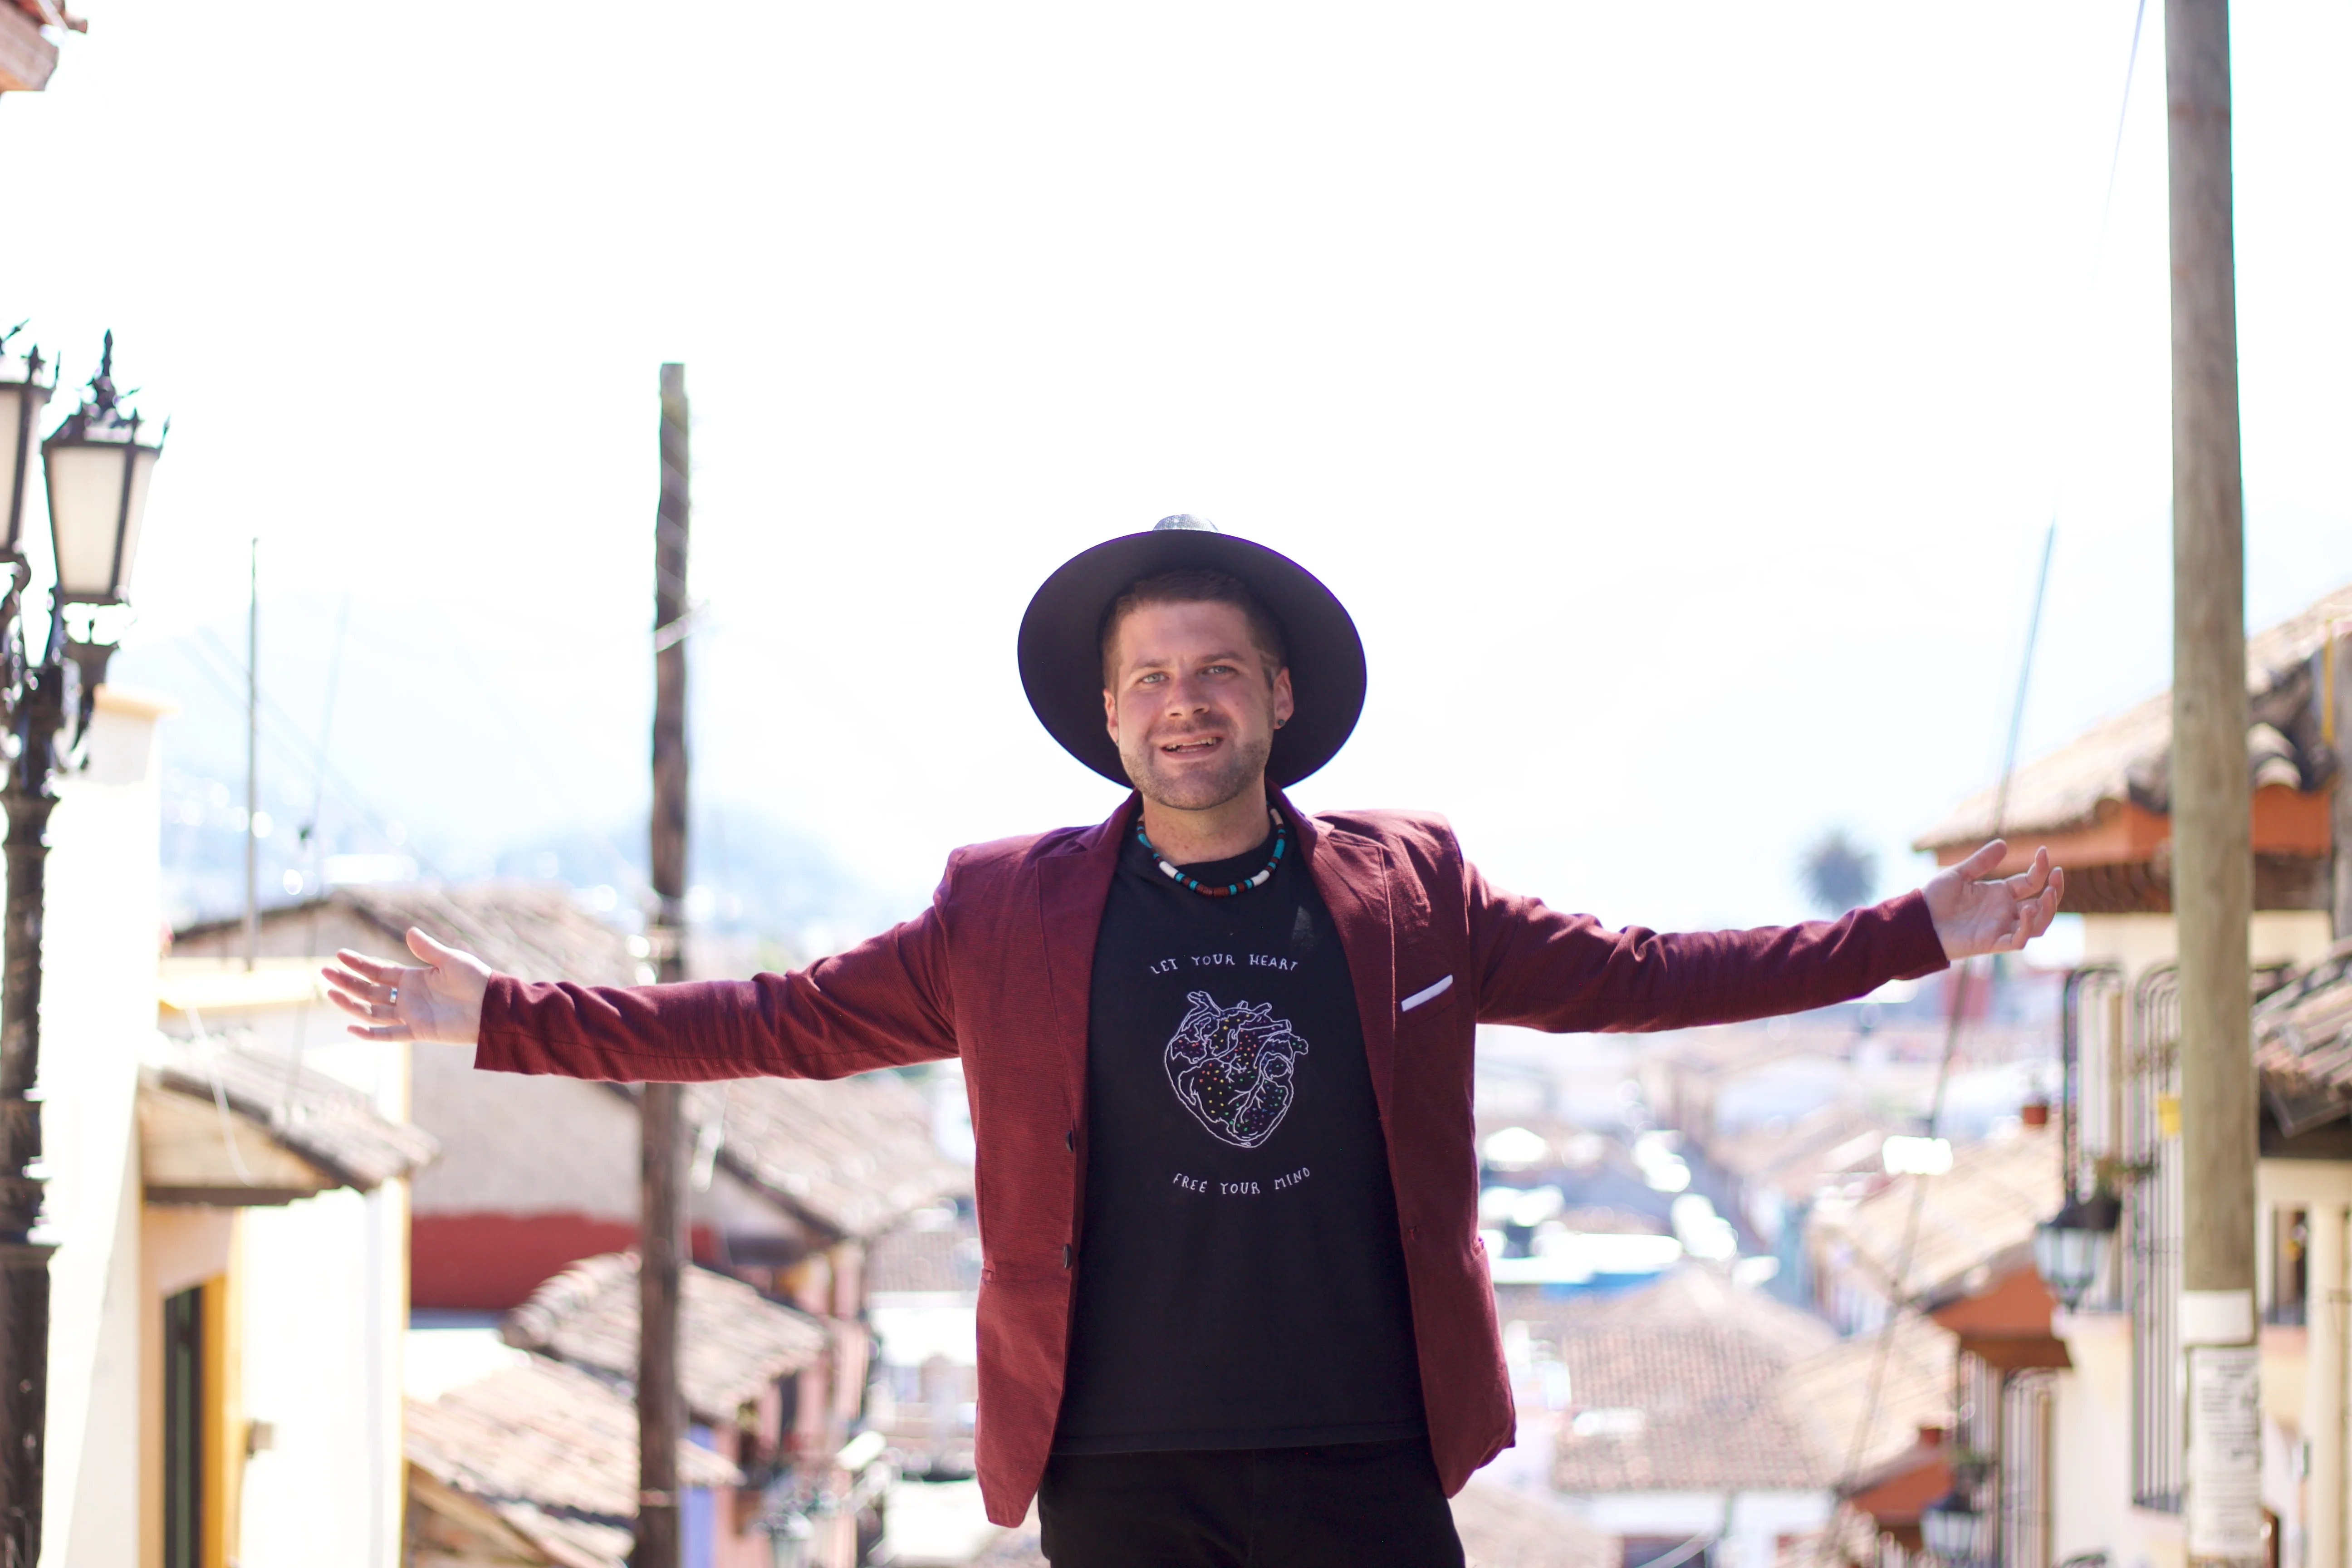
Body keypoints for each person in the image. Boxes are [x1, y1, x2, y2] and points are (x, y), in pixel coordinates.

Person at [323, 519, 2062, 1568]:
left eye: (1218, 671)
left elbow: (1651, 974)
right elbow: (776, 1021)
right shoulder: (1002, 913)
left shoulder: (1410, 891)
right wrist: (505, 1018)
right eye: (1151, 678)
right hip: (1118, 1463)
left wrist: (1917, 933)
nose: (1186, 703)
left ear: (1280, 697)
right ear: (1106, 714)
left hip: (1364, 1445)